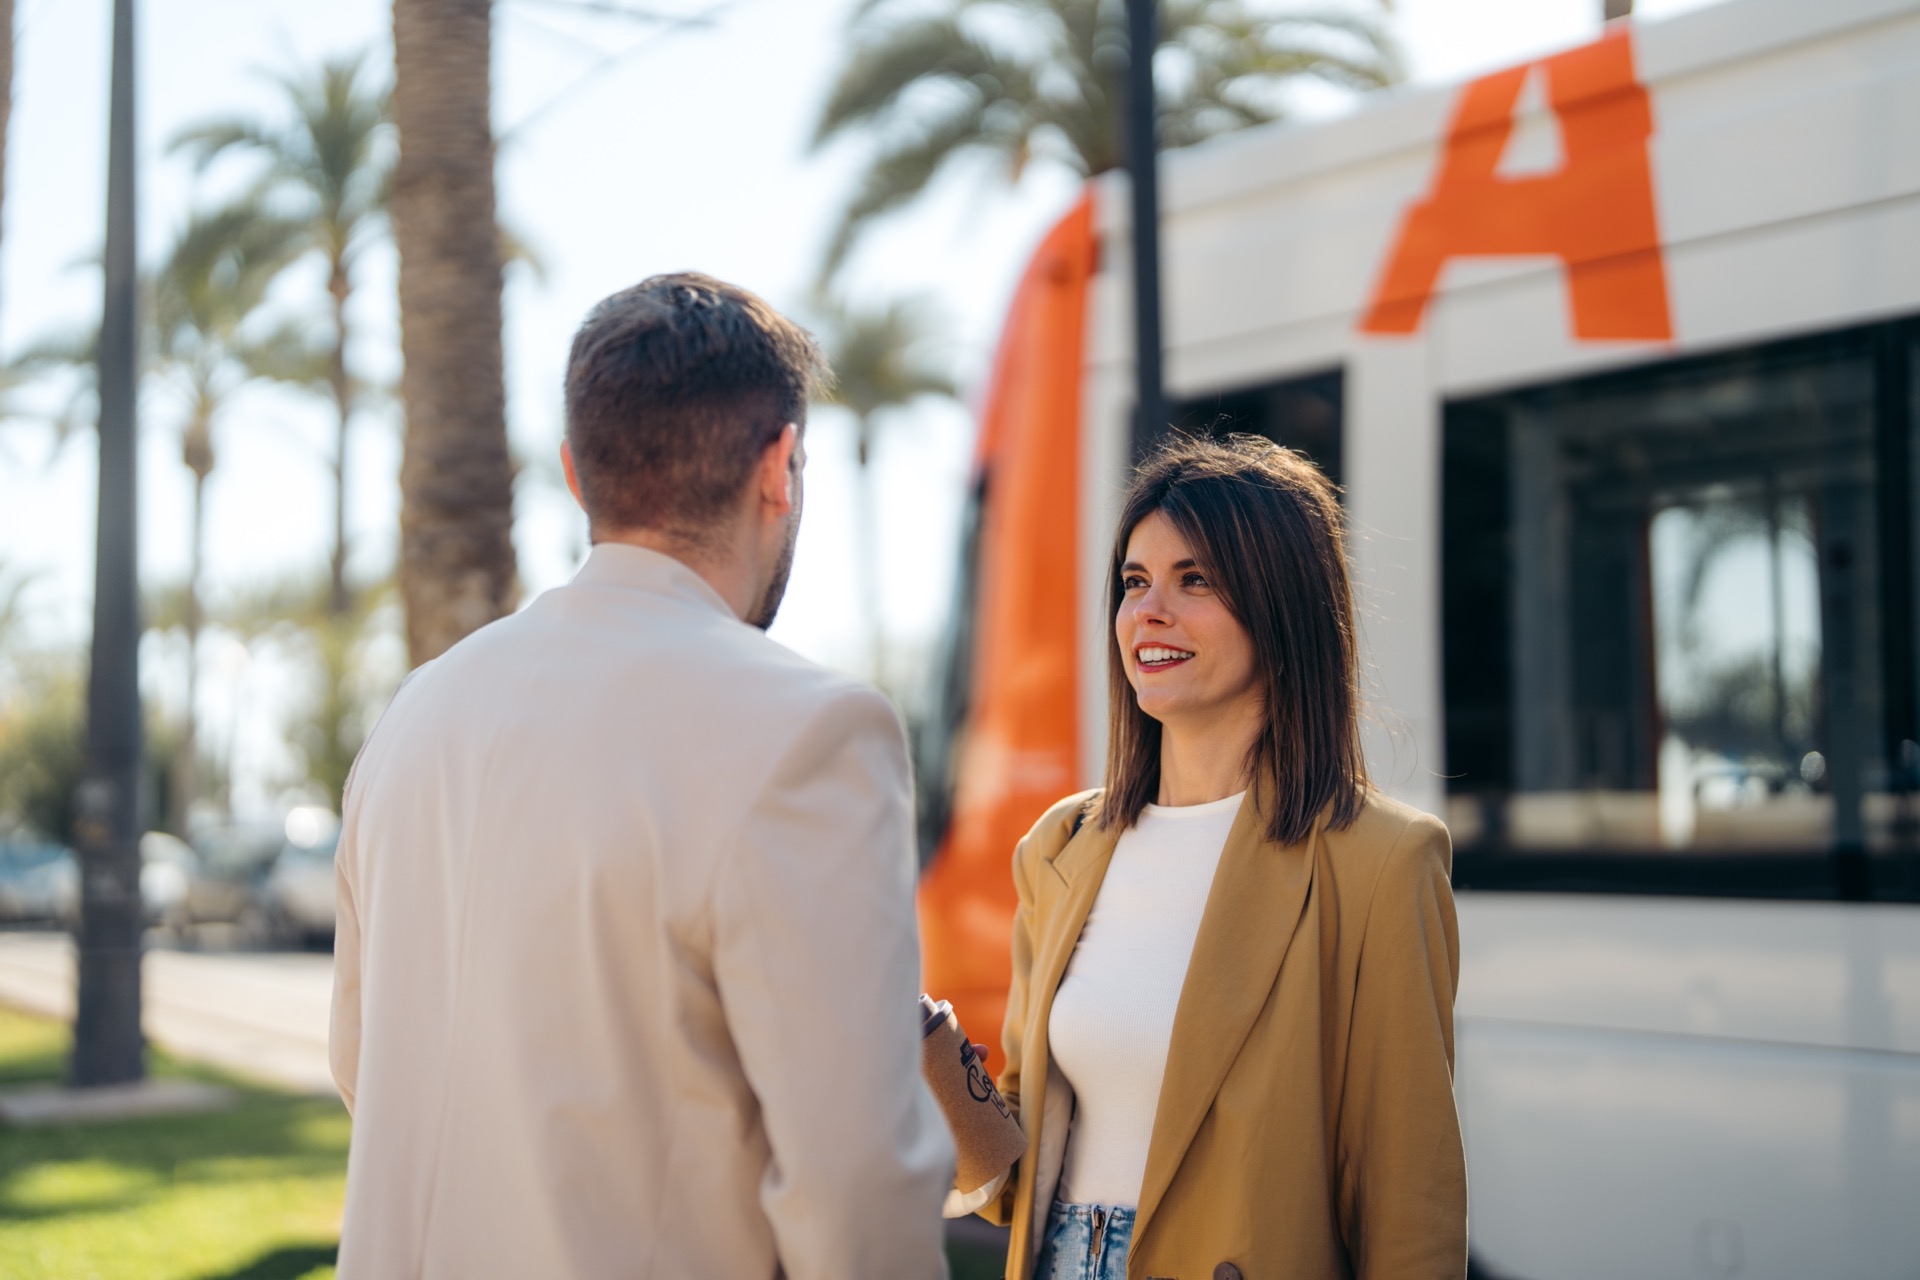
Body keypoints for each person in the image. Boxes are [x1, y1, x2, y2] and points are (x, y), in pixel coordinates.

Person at [329, 273, 954, 1279]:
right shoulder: (814, 730)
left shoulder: (414, 717)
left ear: (576, 473)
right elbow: (857, 1188)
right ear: (781, 464)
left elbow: (370, 1069)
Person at [980, 435, 1467, 1280]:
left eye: (1194, 579)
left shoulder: (1381, 864)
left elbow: (1408, 1199)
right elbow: (1016, 1171)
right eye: (1134, 582)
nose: (1148, 612)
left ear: (1282, 606)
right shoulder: (1060, 849)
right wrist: (921, 1068)